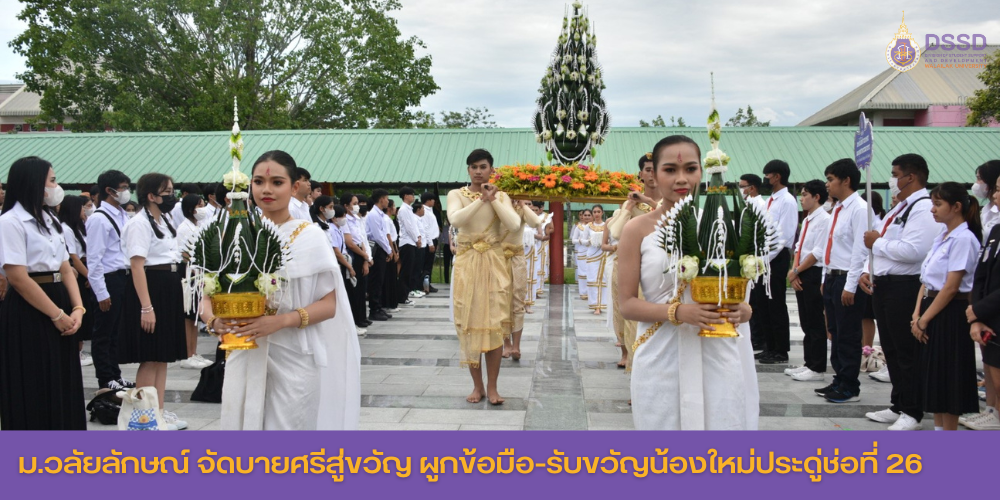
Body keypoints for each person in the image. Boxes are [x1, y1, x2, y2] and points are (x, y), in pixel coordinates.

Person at [205, 150, 361, 430]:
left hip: (294, 353)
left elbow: (329, 305)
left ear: (294, 187)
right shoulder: (234, 233)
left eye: (277, 182)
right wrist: (214, 320)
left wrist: (279, 321)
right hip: (243, 349)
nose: (266, 190)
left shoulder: (309, 235)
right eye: (258, 182)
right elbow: (209, 292)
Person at [619, 136, 757, 430]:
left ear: (702, 172)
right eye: (670, 170)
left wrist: (744, 311)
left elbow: (737, 293)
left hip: (716, 351)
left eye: (691, 169)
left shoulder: (723, 224)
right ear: (652, 175)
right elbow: (627, 304)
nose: (681, 179)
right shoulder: (637, 229)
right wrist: (679, 312)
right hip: (661, 352)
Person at [0, 157, 87, 430]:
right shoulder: (11, 221)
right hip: (31, 306)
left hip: (60, 298)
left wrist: (78, 308)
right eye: (51, 180)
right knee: (35, 380)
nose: (55, 186)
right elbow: (17, 277)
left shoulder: (50, 219)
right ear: (34, 183)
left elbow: (65, 265)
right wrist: (56, 314)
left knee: (63, 379)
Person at [860, 154, 936, 429]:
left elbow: (914, 251)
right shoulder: (901, 207)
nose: (892, 180)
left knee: (906, 351)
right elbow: (880, 244)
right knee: (891, 349)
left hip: (905, 287)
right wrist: (870, 269)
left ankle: (913, 411)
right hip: (885, 285)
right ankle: (899, 403)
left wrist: (877, 243)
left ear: (911, 177)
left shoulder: (923, 208)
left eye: (895, 174)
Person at [447, 149, 521, 405]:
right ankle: (476, 386)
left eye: (483, 166)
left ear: (492, 169)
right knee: (468, 324)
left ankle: (493, 387)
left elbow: (513, 225)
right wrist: (481, 200)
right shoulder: (456, 194)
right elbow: (455, 219)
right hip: (467, 264)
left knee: (495, 325)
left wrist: (494, 199)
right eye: (474, 167)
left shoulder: (502, 196)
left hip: (494, 264)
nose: (478, 171)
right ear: (468, 170)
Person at [118, 173, 189, 430]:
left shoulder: (165, 219)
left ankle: (157, 412)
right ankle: (144, 418)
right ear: (151, 196)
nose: (172, 195)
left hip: (168, 286)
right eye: (167, 191)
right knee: (149, 355)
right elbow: (137, 266)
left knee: (162, 355)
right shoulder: (139, 223)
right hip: (151, 288)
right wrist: (146, 307)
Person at [913, 182, 981, 430]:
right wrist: (917, 313)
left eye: (938, 204)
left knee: (949, 380)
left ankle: (947, 437)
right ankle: (939, 432)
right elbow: (926, 279)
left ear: (957, 206)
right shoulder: (942, 236)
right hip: (932, 308)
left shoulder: (964, 239)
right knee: (936, 380)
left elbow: (951, 287)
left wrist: (924, 320)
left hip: (950, 313)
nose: (933, 209)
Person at [816, 159, 870, 404]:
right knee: (835, 333)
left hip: (847, 277)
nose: (828, 184)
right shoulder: (837, 208)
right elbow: (832, 246)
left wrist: (850, 286)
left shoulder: (859, 208)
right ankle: (839, 378)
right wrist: (824, 278)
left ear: (846, 180)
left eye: (830, 179)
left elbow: (860, 250)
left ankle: (850, 386)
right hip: (832, 276)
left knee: (848, 334)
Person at [607, 154, 661, 372]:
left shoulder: (669, 202)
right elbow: (616, 233)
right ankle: (634, 369)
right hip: (631, 268)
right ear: (640, 174)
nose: (651, 174)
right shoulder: (631, 202)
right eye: (647, 169)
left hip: (658, 269)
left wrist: (648, 202)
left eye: (656, 169)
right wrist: (629, 207)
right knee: (630, 321)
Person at [86, 170, 136, 391]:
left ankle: (115, 374)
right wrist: (101, 292)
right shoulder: (99, 219)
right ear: (110, 190)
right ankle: (105, 378)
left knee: (115, 331)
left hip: (122, 276)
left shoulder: (122, 214)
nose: (126, 192)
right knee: (104, 333)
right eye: (123, 188)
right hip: (108, 278)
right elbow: (94, 259)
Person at [785, 181, 832, 382]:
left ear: (816, 197)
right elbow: (799, 247)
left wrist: (796, 271)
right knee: (805, 320)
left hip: (813, 272)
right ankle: (808, 363)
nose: (801, 199)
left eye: (805, 195)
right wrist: (795, 271)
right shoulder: (807, 219)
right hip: (802, 271)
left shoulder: (824, 219)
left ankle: (818, 367)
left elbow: (818, 252)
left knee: (815, 321)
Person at [967, 170, 1000, 431]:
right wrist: (976, 313)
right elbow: (981, 273)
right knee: (989, 364)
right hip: (986, 312)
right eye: (996, 188)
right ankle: (992, 409)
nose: (995, 195)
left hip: (992, 308)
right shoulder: (996, 230)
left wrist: (978, 309)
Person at [756, 160, 797, 364]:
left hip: (775, 257)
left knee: (776, 304)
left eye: (768, 175)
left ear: (777, 176)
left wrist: (765, 259)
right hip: (764, 257)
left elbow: (784, 236)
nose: (766, 179)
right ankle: (769, 346)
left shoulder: (787, 201)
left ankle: (780, 349)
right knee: (764, 304)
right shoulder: (771, 200)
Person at [59, 195, 98, 367]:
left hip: (86, 268)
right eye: (82, 207)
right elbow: (74, 257)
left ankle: (80, 350)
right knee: (78, 308)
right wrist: (89, 275)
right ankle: (78, 351)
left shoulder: (80, 227)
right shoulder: (66, 229)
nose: (85, 210)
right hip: (79, 270)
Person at [175, 194, 213, 370]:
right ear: (191, 208)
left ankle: (193, 351)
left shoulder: (198, 226)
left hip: (199, 272)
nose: (202, 208)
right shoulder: (184, 228)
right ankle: (187, 354)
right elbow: (184, 254)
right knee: (189, 315)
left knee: (195, 316)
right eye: (199, 204)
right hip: (189, 273)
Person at [502, 199, 541, 360]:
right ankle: (506, 344)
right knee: (500, 302)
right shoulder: (496, 204)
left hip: (517, 257)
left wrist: (524, 205)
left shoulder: (521, 208)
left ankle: (516, 345)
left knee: (518, 300)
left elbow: (535, 221)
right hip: (497, 258)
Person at [340, 193, 370, 329]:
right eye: (354, 204)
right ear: (346, 206)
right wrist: (363, 255)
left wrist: (366, 258)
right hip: (353, 253)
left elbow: (361, 239)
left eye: (358, 203)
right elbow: (350, 243)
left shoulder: (356, 219)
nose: (357, 206)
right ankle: (357, 319)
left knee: (362, 287)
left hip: (361, 253)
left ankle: (363, 317)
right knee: (355, 289)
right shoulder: (344, 220)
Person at [365, 189, 393, 322]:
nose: (388, 201)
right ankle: (374, 309)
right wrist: (388, 249)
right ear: (381, 199)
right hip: (377, 249)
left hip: (382, 248)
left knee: (380, 280)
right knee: (376, 281)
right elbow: (378, 235)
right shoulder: (373, 215)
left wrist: (388, 250)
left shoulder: (380, 214)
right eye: (386, 198)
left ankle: (378, 306)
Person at [397, 187, 423, 301]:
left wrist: (418, 237)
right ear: (405, 196)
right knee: (406, 271)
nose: (413, 196)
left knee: (410, 269)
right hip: (407, 242)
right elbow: (408, 227)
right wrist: (416, 239)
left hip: (411, 241)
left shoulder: (409, 209)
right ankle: (402, 296)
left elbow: (414, 226)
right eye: (411, 194)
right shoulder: (403, 209)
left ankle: (404, 295)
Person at [586, 205, 609, 314]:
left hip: (603, 254)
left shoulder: (607, 225)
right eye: (594, 212)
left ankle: (602, 304)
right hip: (592, 255)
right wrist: (591, 240)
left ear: (602, 213)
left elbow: (611, 239)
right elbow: (583, 240)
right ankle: (595, 305)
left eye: (598, 211)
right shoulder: (588, 226)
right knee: (592, 279)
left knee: (603, 279)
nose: (596, 214)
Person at [382, 199, 400, 313]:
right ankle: (387, 304)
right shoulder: (385, 219)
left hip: (393, 246)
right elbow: (388, 237)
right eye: (393, 206)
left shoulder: (389, 219)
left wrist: (396, 251)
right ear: (389, 208)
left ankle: (392, 303)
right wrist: (392, 252)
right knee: (388, 278)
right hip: (389, 248)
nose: (395, 208)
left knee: (392, 277)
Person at [420, 192, 441, 293]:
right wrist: (430, 243)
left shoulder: (430, 210)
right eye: (433, 200)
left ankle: (427, 283)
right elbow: (426, 229)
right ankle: (424, 284)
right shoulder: (424, 211)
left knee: (430, 263)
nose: (434, 201)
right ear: (428, 201)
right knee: (427, 264)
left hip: (433, 239)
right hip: (429, 240)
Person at [571, 210, 593, 300]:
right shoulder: (579, 227)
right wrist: (581, 241)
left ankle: (591, 292)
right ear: (582, 216)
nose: (587, 217)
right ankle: (583, 293)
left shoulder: (594, 227)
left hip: (592, 252)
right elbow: (573, 240)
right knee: (582, 273)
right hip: (581, 251)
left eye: (589, 215)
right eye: (585, 215)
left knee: (591, 272)